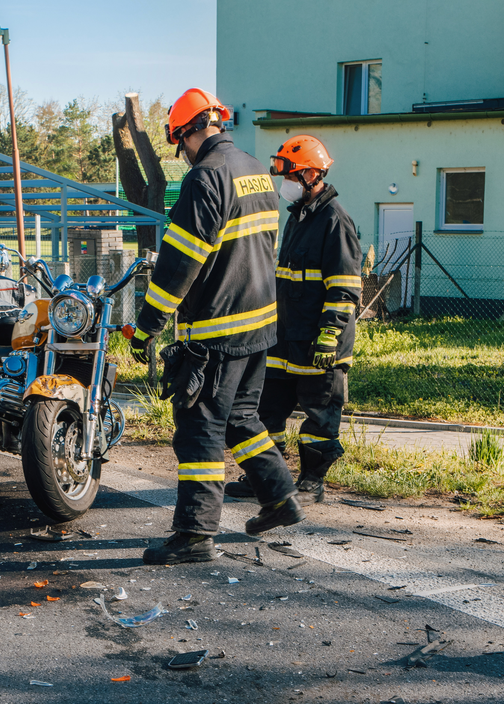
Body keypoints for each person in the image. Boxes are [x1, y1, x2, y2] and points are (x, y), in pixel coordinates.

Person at [129, 88, 302, 565]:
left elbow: (179, 263)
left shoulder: (206, 177)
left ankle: (194, 534)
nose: (182, 154)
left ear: (186, 133)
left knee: (199, 427)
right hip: (260, 325)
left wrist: (147, 326)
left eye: (179, 144)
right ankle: (280, 498)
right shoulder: (254, 169)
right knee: (242, 417)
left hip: (217, 331)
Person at [226, 135, 361, 504]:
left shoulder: (335, 221)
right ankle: (266, 478)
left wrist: (330, 335)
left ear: (310, 175)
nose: (285, 183)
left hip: (319, 342)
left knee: (320, 416)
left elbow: (345, 287)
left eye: (290, 175)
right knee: (266, 411)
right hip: (285, 340)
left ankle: (311, 481)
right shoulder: (299, 217)